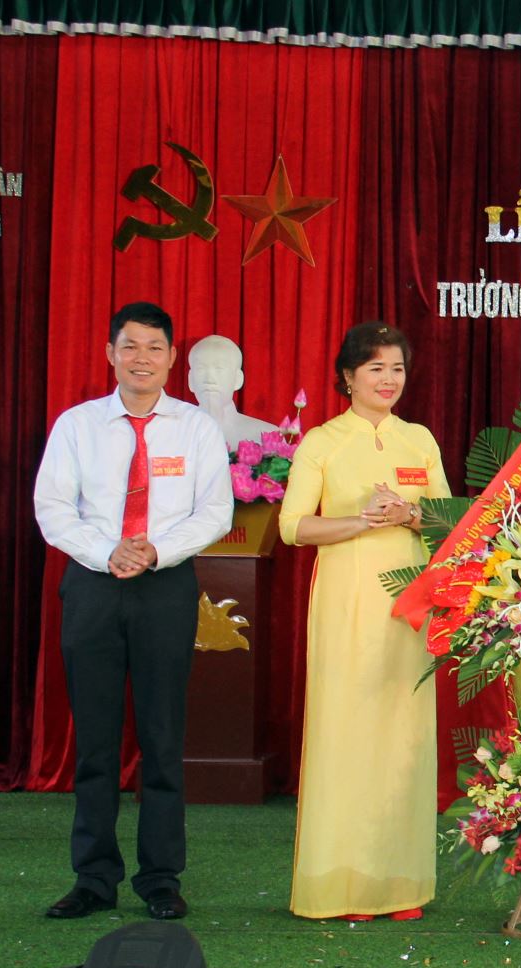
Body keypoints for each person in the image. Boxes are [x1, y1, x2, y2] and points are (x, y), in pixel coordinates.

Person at [34, 301, 234, 920]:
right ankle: (93, 878)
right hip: (92, 587)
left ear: (172, 358)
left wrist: (154, 551)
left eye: (154, 347)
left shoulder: (196, 428)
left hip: (164, 587)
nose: (141, 358)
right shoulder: (77, 425)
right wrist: (107, 551)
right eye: (130, 346)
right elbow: (52, 507)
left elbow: (215, 511)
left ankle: (160, 879)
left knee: (162, 738)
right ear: (110, 354)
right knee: (95, 742)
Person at [280, 321, 451, 921]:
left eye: (397, 368)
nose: (388, 379)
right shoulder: (322, 441)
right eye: (375, 367)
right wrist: (361, 520)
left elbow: (448, 521)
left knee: (403, 740)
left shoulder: (419, 440)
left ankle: (399, 884)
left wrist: (409, 515)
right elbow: (293, 525)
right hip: (347, 604)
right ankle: (344, 885)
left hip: (409, 610)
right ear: (348, 376)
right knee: (347, 734)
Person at [186, 334, 281, 447]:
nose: (209, 379)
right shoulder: (172, 431)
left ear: (238, 379)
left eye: (219, 369)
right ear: (190, 380)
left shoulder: (266, 435)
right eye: (200, 369)